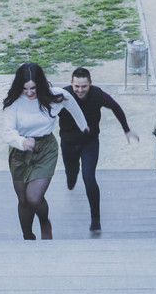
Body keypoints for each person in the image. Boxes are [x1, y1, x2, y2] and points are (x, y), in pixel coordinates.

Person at [2, 62, 89, 240]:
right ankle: (28, 236)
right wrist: (22, 141)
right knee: (23, 200)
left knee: (34, 197)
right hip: (20, 152)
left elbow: (71, 103)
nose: (29, 93)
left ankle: (44, 221)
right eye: (25, 89)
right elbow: (7, 133)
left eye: (33, 88)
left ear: (40, 84)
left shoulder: (55, 96)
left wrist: (83, 125)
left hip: (45, 149)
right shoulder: (14, 102)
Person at [58, 67, 139, 232]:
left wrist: (127, 129)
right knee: (71, 174)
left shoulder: (97, 95)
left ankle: (96, 220)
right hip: (68, 143)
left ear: (90, 84)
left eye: (84, 86)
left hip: (90, 142)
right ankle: (71, 176)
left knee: (89, 177)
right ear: (71, 84)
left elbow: (115, 107)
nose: (80, 90)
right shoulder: (62, 95)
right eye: (77, 86)